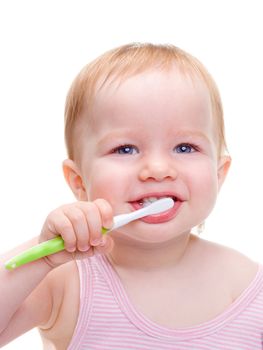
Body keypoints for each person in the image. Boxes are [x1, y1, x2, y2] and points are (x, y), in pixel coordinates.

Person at [0, 43, 263, 350]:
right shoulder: (67, 282)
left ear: (219, 174)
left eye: (185, 147)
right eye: (125, 149)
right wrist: (42, 257)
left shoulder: (250, 287)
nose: (158, 169)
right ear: (79, 181)